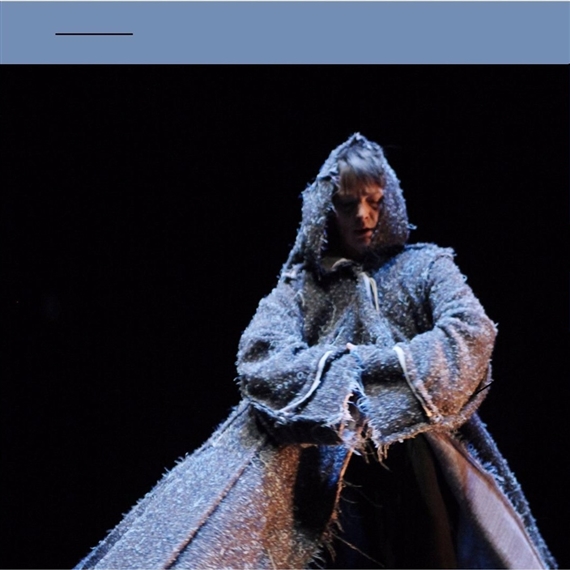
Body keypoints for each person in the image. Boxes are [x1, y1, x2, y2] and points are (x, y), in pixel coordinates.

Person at [75, 134, 556, 569]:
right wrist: (341, 386)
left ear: (389, 201)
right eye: (348, 204)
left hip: (419, 452)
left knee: (433, 549)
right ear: (328, 208)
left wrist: (374, 379)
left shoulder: (425, 266)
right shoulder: (304, 285)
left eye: (374, 201)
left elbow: (470, 331)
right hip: (326, 462)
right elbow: (261, 356)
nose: (363, 216)